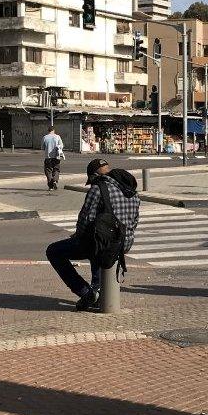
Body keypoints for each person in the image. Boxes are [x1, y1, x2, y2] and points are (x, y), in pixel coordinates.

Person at [46, 158, 140, 311]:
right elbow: (135, 221)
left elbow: (85, 218)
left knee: (54, 251)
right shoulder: (130, 189)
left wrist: (78, 235)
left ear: (95, 175)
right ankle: (97, 289)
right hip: (124, 242)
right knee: (97, 244)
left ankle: (87, 292)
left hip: (106, 243)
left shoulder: (98, 188)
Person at [42, 125, 64, 191]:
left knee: (48, 171)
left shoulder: (45, 137)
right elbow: (61, 146)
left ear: (48, 131)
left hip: (48, 157)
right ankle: (55, 180)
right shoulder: (57, 137)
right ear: (54, 130)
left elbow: (42, 147)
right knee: (56, 170)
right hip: (56, 157)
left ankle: (50, 187)